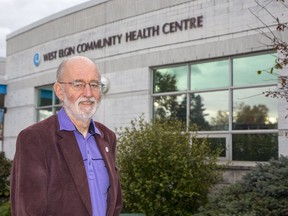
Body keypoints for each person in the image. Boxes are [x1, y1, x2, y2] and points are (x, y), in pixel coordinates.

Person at [10, 56, 122, 216]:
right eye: (78, 84)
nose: (88, 93)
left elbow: (114, 203)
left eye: (94, 85)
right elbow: (27, 210)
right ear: (59, 91)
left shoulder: (107, 137)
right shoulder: (35, 139)